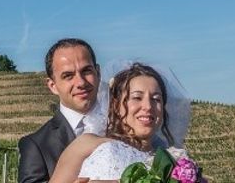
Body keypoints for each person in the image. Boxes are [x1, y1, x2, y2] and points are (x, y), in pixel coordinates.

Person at [50, 63, 184, 183]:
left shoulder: (175, 162)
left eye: (156, 99)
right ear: (115, 105)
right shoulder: (87, 144)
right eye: (137, 97)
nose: (148, 106)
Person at [18, 38, 101, 183]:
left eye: (86, 71)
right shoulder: (36, 145)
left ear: (98, 73)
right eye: (68, 76)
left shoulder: (126, 126)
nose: (80, 82)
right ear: (52, 86)